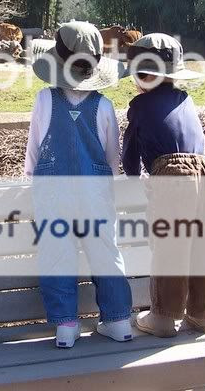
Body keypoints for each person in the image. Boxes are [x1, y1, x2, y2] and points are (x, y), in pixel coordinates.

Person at [25, 21, 133, 348]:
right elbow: (112, 158)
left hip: (52, 192)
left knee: (57, 254)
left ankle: (66, 325)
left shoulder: (44, 99)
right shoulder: (104, 106)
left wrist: (31, 181)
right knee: (105, 253)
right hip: (95, 193)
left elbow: (34, 151)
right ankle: (118, 320)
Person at [122, 33, 205, 337]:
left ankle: (164, 318)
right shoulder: (185, 100)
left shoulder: (140, 106)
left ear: (142, 76)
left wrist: (134, 177)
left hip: (173, 177)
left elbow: (130, 154)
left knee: (171, 248)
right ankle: (204, 315)